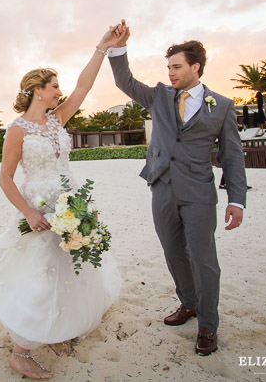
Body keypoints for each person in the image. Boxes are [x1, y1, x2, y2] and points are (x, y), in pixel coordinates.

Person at [0, 27, 124, 379]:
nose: (61, 91)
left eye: (59, 86)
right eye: (54, 86)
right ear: (37, 91)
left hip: (71, 200)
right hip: (39, 208)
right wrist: (29, 212)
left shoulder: (58, 119)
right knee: (40, 273)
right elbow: (6, 178)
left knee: (70, 268)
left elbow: (85, 86)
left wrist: (101, 47)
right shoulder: (17, 130)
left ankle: (56, 329)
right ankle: (21, 351)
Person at [107, 20, 247, 356]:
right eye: (168, 66)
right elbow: (124, 81)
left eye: (176, 67)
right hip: (163, 188)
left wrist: (237, 200)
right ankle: (189, 303)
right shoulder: (158, 96)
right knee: (173, 252)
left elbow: (232, 155)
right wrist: (119, 47)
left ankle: (208, 324)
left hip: (199, 192)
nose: (170, 72)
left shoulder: (222, 105)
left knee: (204, 259)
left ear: (195, 67)